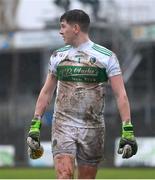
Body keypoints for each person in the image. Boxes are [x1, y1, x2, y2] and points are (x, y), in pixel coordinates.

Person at [27, 9, 138, 179]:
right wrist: (35, 123)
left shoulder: (107, 57)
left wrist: (127, 129)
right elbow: (47, 91)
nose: (60, 31)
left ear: (76, 28)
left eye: (63, 27)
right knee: (64, 175)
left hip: (93, 127)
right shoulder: (58, 56)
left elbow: (120, 94)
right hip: (63, 125)